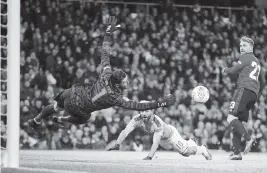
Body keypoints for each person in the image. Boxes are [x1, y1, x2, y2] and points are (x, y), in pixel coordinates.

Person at [28, 16, 176, 132]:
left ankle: (36, 120)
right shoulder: (115, 98)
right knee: (88, 119)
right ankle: (62, 119)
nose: (128, 83)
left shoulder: (106, 74)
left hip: (73, 92)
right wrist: (162, 102)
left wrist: (108, 32)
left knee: (55, 106)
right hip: (78, 107)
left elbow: (104, 52)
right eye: (125, 82)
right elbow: (139, 106)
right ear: (118, 84)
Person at [108, 101, 212, 160]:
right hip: (163, 141)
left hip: (171, 136)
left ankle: (202, 149)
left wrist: (149, 157)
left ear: (152, 111)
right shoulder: (137, 119)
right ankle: (190, 142)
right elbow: (125, 131)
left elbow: (155, 143)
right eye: (142, 111)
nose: (143, 113)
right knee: (180, 151)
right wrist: (117, 143)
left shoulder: (157, 123)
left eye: (147, 111)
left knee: (186, 153)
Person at [222, 36, 266, 160]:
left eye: (244, 46)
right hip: (252, 94)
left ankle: (248, 139)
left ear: (251, 48)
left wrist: (225, 70)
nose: (242, 48)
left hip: (243, 90)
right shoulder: (257, 61)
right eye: (241, 46)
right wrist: (257, 94)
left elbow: (234, 70)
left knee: (230, 118)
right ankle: (237, 153)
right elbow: (263, 81)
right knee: (237, 122)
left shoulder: (245, 57)